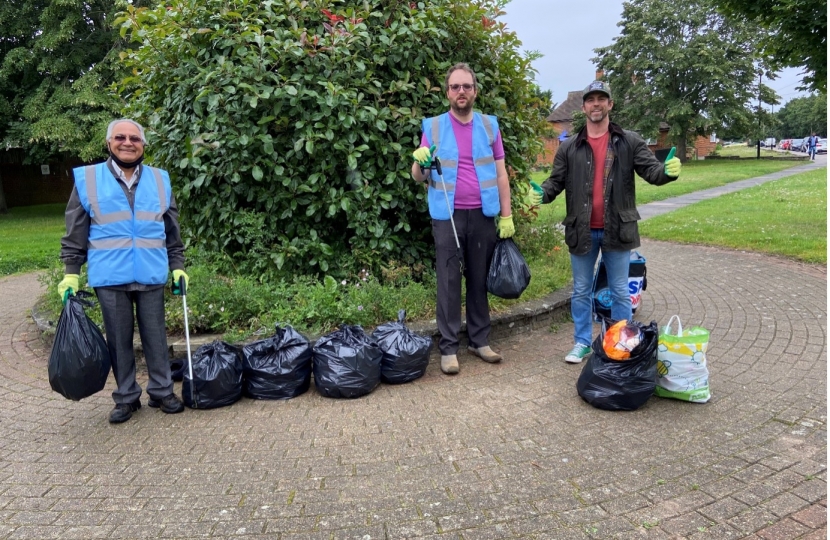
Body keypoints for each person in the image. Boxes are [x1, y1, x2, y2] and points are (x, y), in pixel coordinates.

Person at [530, 80, 682, 364]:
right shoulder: (570, 147)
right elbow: (555, 182)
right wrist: (543, 193)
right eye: (591, 100)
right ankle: (582, 342)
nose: (596, 104)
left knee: (620, 291)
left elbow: (652, 173)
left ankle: (620, 344)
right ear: (584, 106)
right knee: (580, 290)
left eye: (602, 99)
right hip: (582, 230)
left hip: (618, 229)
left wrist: (667, 172)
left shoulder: (629, 141)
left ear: (610, 104)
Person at [58, 119, 189, 423]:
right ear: (109, 143)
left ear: (144, 145)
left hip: (151, 272)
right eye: (120, 137)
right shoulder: (88, 180)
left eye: (135, 138)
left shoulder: (160, 180)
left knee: (156, 338)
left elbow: (172, 232)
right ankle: (127, 397)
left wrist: (178, 266)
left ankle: (162, 391)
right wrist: (71, 272)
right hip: (110, 276)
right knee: (118, 341)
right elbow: (75, 231)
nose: (127, 143)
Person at [410, 62, 513, 375]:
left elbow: (500, 173)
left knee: (479, 279)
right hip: (447, 217)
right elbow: (418, 177)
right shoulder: (434, 127)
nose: (461, 92)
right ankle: (449, 346)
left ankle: (480, 341)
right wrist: (419, 162)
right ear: (447, 93)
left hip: (483, 215)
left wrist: (506, 215)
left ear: (475, 91)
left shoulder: (489, 126)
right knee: (449, 280)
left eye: (466, 86)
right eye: (455, 87)